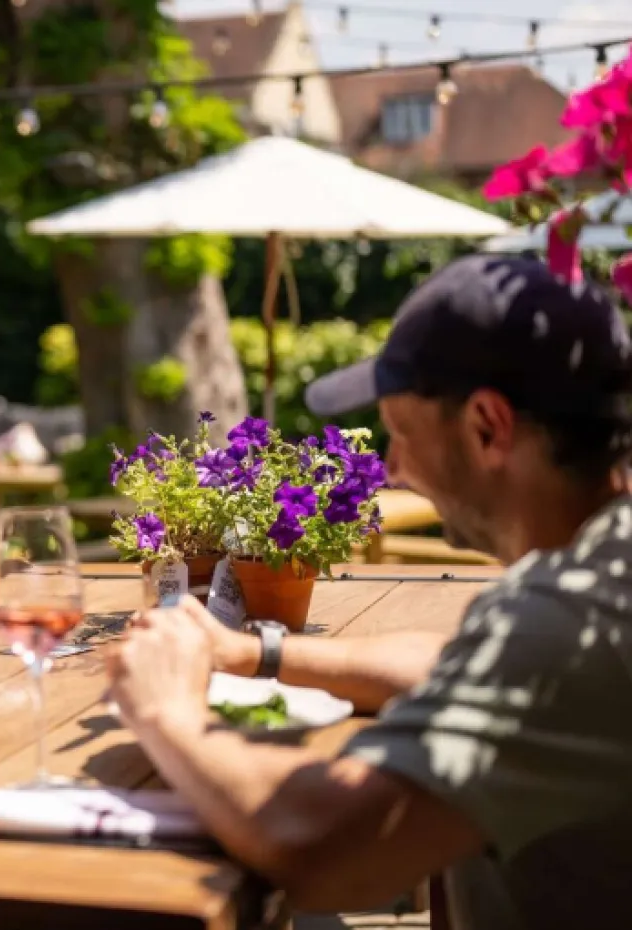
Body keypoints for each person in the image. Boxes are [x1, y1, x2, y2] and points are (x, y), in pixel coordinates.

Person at [106, 255, 632, 930]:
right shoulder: (593, 575)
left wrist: (165, 710)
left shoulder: (570, 617)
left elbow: (322, 849)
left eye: (402, 433)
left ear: (488, 427)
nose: (390, 466)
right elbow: (445, 665)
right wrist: (245, 651)